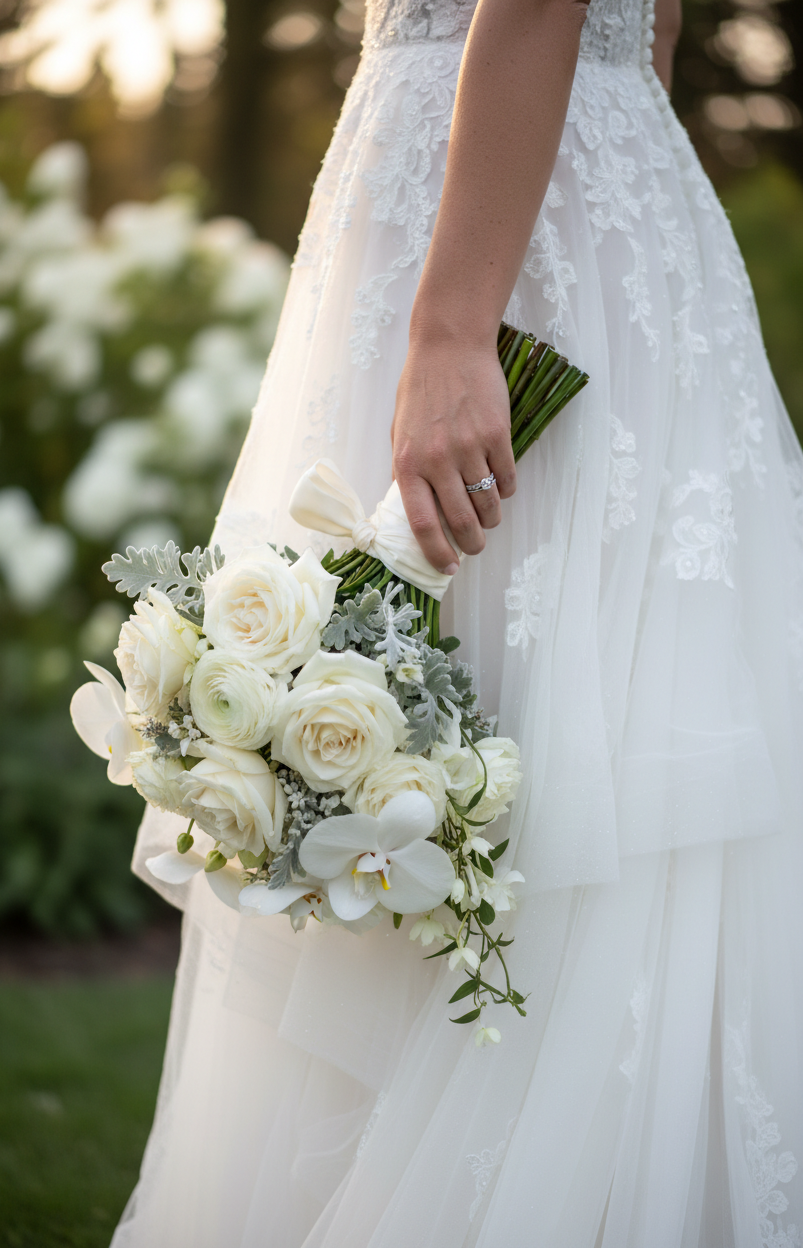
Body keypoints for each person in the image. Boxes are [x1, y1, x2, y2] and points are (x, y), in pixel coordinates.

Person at [112, 0, 803, 1242]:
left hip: (483, 222)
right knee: (540, 691)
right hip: (581, 191)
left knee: (497, 681)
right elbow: (643, 34)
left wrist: (448, 327)